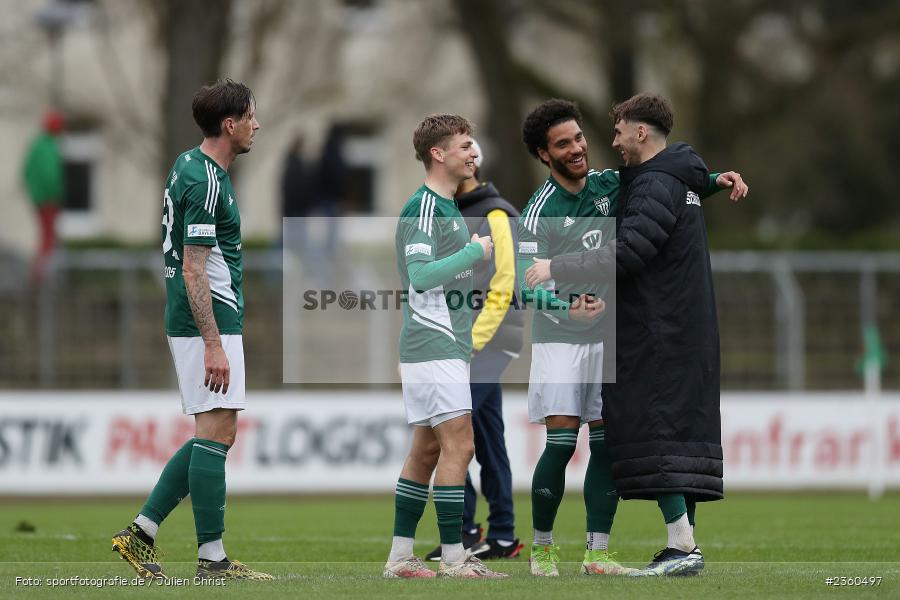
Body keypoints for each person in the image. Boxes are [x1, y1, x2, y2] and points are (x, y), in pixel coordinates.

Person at [518, 98, 747, 578]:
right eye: (564, 144)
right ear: (544, 154)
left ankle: (597, 553)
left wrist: (713, 180)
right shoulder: (538, 211)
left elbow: (663, 189)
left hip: (606, 335)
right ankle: (542, 549)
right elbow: (526, 285)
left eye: (580, 137)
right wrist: (567, 307)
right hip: (560, 339)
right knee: (560, 445)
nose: (580, 148)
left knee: (607, 446)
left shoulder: (609, 185)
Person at [111, 79, 272, 581]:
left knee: (216, 429)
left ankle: (141, 535)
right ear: (230, 124)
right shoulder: (205, 181)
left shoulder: (191, 164)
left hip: (207, 318)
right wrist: (212, 343)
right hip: (207, 318)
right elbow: (194, 268)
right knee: (217, 428)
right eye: (251, 116)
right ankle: (211, 559)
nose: (257, 124)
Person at [384, 114, 506, 579]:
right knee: (461, 447)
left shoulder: (446, 207)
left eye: (473, 144)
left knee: (427, 452)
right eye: (464, 145)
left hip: (437, 347)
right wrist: (475, 252)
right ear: (438, 154)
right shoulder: (426, 209)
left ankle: (400, 558)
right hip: (432, 347)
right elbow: (420, 277)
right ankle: (454, 558)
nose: (473, 152)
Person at [424, 140, 525, 562]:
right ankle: (501, 535)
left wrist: (472, 342)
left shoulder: (497, 212)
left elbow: (504, 283)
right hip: (463, 343)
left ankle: (465, 531)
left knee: (450, 434)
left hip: (487, 343)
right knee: (486, 438)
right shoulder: (447, 211)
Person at [22, 109, 65, 286]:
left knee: (46, 234)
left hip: (39, 198)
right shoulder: (49, 146)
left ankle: (40, 272)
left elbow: (26, 171)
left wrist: (34, 191)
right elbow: (51, 175)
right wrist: (56, 193)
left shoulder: (37, 145)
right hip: (48, 199)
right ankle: (39, 274)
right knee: (48, 236)